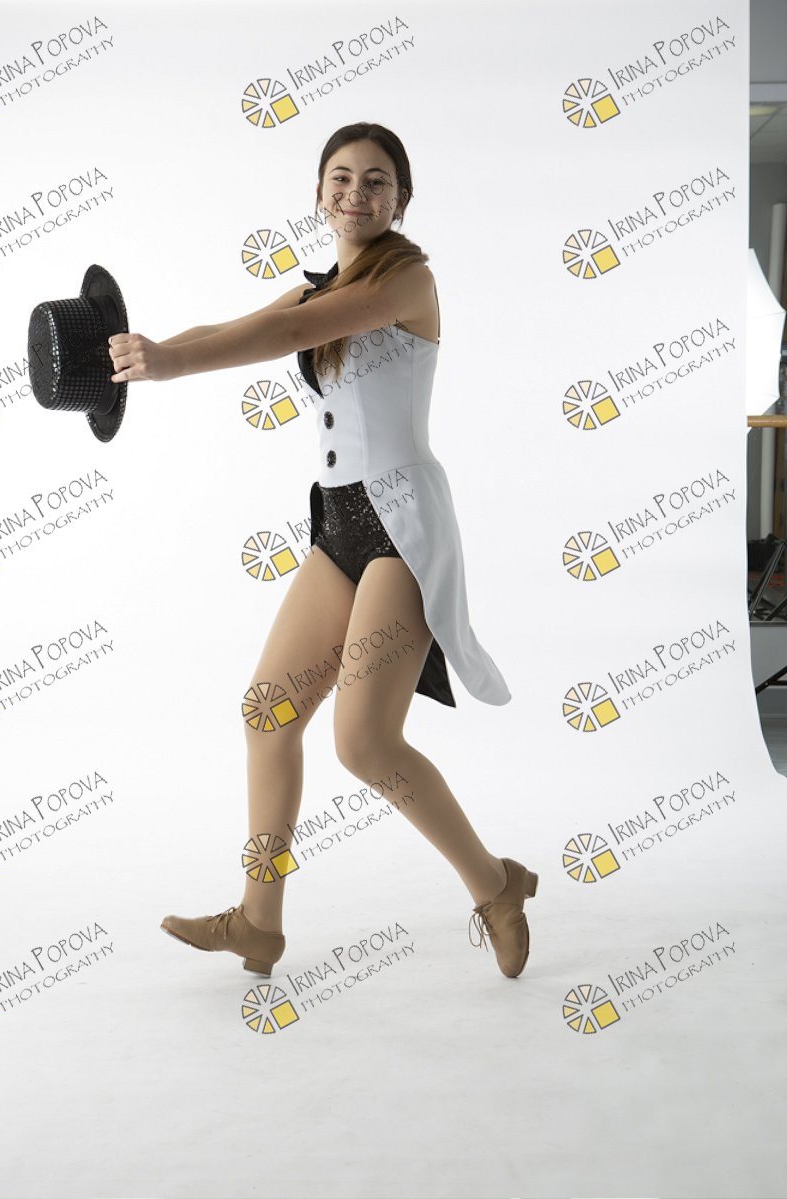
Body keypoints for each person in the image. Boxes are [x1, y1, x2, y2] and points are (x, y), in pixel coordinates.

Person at [107, 121, 538, 979]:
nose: (355, 193)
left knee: (364, 744)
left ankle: (495, 886)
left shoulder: (406, 279)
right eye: (340, 178)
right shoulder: (315, 287)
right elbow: (238, 325)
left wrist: (170, 364)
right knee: (267, 711)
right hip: (339, 523)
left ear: (400, 200)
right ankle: (257, 921)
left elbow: (281, 338)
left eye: (376, 180)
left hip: (403, 526)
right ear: (318, 193)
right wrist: (144, 353)